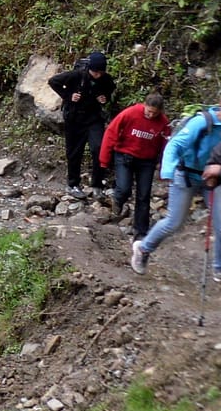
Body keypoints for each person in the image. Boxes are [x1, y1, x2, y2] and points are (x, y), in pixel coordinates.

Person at [129, 102, 221, 278]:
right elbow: (175, 145)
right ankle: (143, 248)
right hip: (186, 174)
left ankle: (219, 268)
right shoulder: (201, 122)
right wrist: (169, 171)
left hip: (213, 179)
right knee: (174, 222)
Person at [100, 92, 170, 240]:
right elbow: (111, 132)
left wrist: (163, 163)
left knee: (144, 196)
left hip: (147, 161)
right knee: (124, 188)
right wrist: (104, 160)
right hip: (125, 155)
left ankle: (140, 231)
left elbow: (167, 144)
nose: (151, 115)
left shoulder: (163, 122)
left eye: (155, 113)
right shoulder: (131, 113)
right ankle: (118, 200)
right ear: (144, 105)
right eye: (149, 111)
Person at [48, 52, 117, 199]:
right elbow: (53, 81)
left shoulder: (105, 79)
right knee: (74, 152)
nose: (97, 75)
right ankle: (73, 184)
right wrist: (68, 95)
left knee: (98, 148)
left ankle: (97, 184)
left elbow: (110, 89)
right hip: (74, 118)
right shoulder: (77, 75)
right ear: (90, 69)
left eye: (100, 72)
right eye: (95, 72)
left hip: (94, 118)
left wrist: (105, 98)